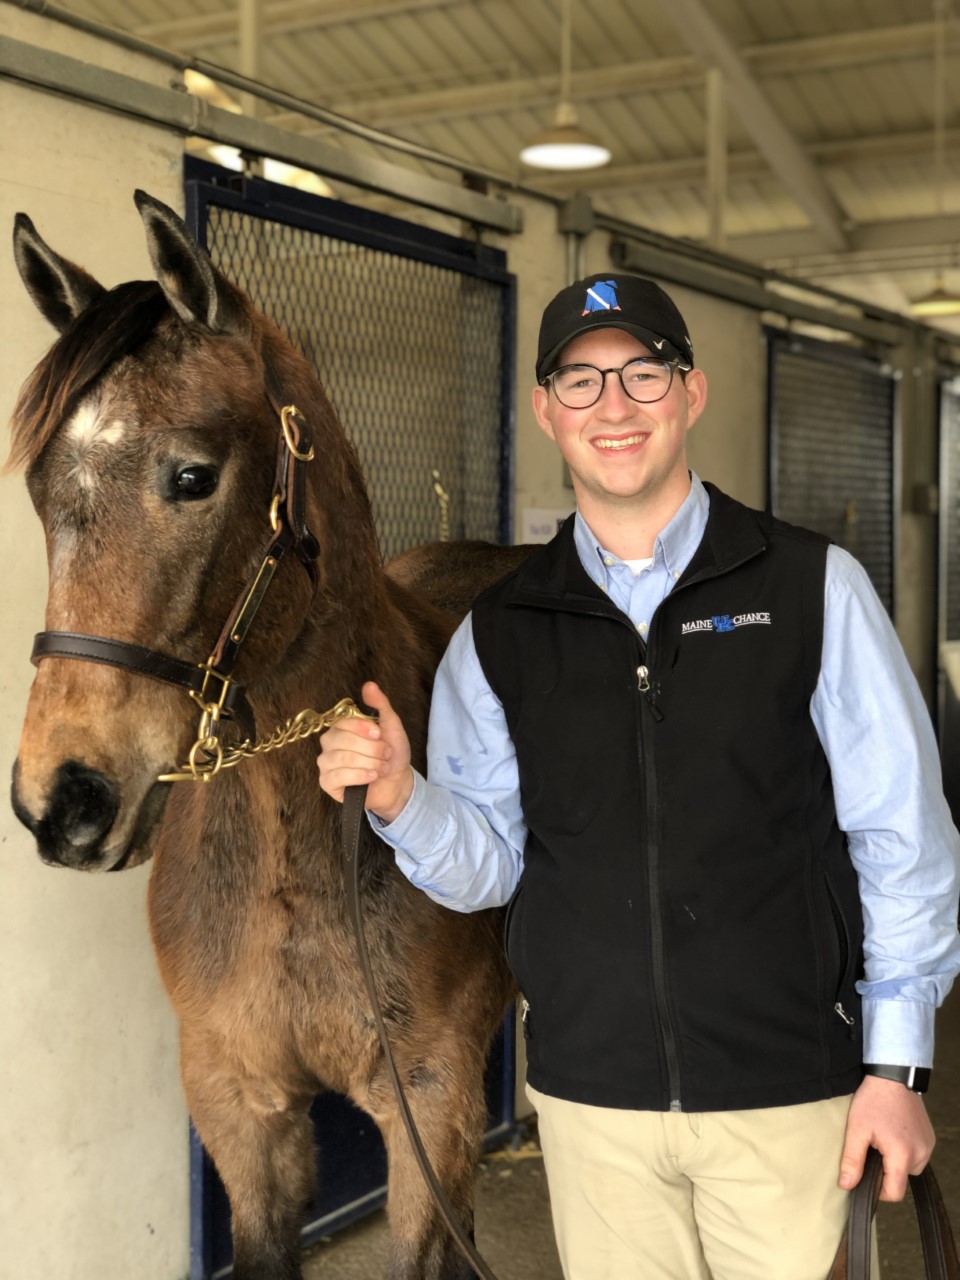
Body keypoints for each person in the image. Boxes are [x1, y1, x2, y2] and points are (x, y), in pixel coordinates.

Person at [318, 272, 960, 1280]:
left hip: (787, 1095)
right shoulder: (501, 631)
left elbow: (904, 839)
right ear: (545, 410)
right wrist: (405, 797)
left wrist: (898, 1067)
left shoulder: (811, 588)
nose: (612, 406)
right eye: (579, 380)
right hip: (591, 1103)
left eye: (641, 374)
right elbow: (488, 865)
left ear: (690, 392)